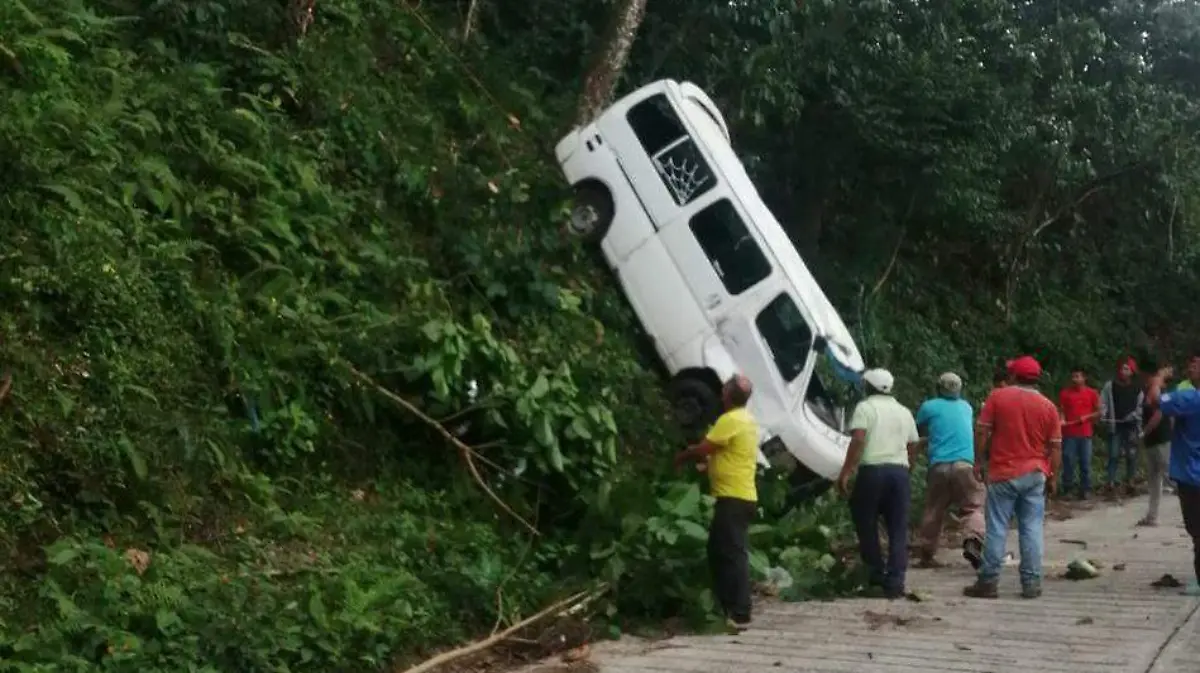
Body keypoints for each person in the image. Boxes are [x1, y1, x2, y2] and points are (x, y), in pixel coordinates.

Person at [964, 356, 1061, 600]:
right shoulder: (1048, 406)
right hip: (1035, 473)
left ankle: (988, 582)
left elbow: (982, 431)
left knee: (997, 528)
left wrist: (979, 461)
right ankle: (1031, 583)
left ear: (1013, 376)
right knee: (1031, 528)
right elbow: (1056, 447)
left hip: (1002, 473)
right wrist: (1053, 476)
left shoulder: (998, 396)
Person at [674, 374, 758, 630]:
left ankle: (740, 612)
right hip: (737, 496)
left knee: (732, 553)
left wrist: (682, 457)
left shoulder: (730, 419)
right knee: (719, 550)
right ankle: (727, 605)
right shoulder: (746, 420)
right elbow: (727, 453)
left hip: (734, 497)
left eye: (723, 390)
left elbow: (704, 447)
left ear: (727, 395)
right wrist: (711, 465)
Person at [836, 368, 920, 599]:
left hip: (872, 472)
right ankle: (895, 583)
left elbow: (859, 438)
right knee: (897, 527)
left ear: (868, 386)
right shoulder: (904, 411)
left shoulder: (865, 407)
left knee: (866, 522)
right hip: (899, 473)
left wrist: (846, 471)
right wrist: (907, 467)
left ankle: (875, 575)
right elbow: (913, 444)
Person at [913, 372, 986, 569]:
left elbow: (916, 431)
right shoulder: (966, 407)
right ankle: (973, 539)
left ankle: (927, 554)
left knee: (934, 509)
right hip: (964, 464)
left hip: (939, 465)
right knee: (973, 505)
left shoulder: (929, 406)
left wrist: (927, 442)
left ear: (938, 387)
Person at [1145, 357, 1200, 596]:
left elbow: (1155, 400)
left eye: (1197, 364)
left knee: (1197, 529)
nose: (1191, 366)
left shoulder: (1191, 399)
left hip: (1193, 474)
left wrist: (1158, 379)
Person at [1100, 357, 1144, 494]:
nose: (1123, 371)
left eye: (1126, 369)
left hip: (1131, 426)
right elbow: (1103, 402)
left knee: (1131, 455)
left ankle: (1130, 481)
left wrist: (1133, 416)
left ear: (1131, 371)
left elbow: (1141, 407)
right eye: (1121, 368)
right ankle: (1111, 482)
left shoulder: (1137, 389)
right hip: (1116, 425)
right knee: (1113, 454)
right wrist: (1103, 413)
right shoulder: (1110, 386)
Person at [1139, 362, 1174, 527]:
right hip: (1153, 440)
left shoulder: (1161, 392)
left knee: (1167, 476)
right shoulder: (1152, 391)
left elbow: (1159, 415)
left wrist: (1144, 431)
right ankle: (1152, 515)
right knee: (1155, 478)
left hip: (1160, 438)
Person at [1058, 367, 1101, 500]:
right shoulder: (1065, 393)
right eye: (1073, 377)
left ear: (1084, 378)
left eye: (1077, 376)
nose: (1075, 379)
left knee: (1085, 463)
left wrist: (1087, 417)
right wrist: (1062, 419)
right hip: (1069, 433)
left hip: (1085, 433)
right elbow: (1061, 410)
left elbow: (1099, 411)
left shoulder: (1092, 393)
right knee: (1068, 461)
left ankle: (1086, 489)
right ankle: (1068, 489)